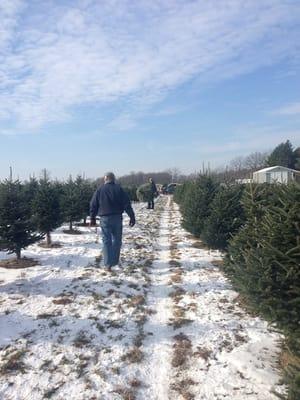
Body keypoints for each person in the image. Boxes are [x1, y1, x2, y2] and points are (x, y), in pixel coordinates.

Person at [90, 172, 135, 269]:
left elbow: (93, 204)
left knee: (106, 240)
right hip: (117, 218)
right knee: (117, 240)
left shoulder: (100, 190)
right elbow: (127, 204)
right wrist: (132, 216)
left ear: (105, 179)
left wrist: (92, 218)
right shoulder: (119, 189)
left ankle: (108, 264)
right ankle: (114, 261)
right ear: (114, 179)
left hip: (105, 219)